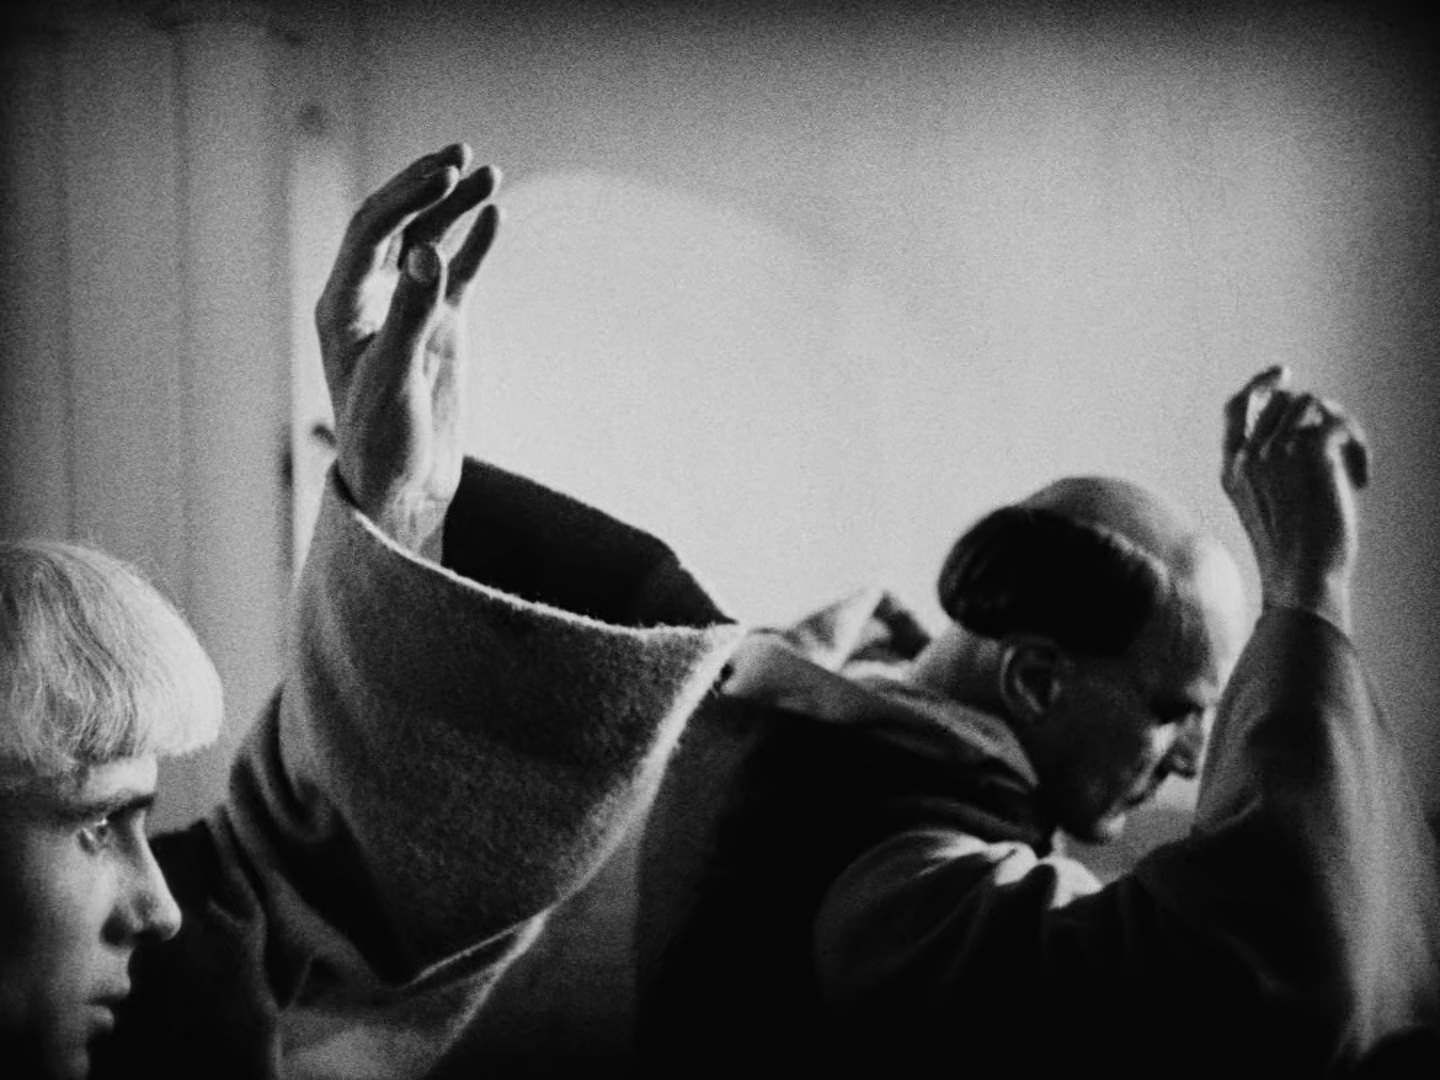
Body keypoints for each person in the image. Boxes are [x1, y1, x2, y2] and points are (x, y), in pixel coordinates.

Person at [1, 143, 742, 1079]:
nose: (160, 910)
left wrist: (406, 514)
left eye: (136, 824)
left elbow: (344, 879)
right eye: (94, 826)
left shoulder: (180, 988)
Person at [636, 368, 1440, 1076]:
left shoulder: (836, 751)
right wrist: (1309, 583)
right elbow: (1265, 987)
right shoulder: (895, 887)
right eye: (1172, 713)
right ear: (1035, 681)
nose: (1193, 762)